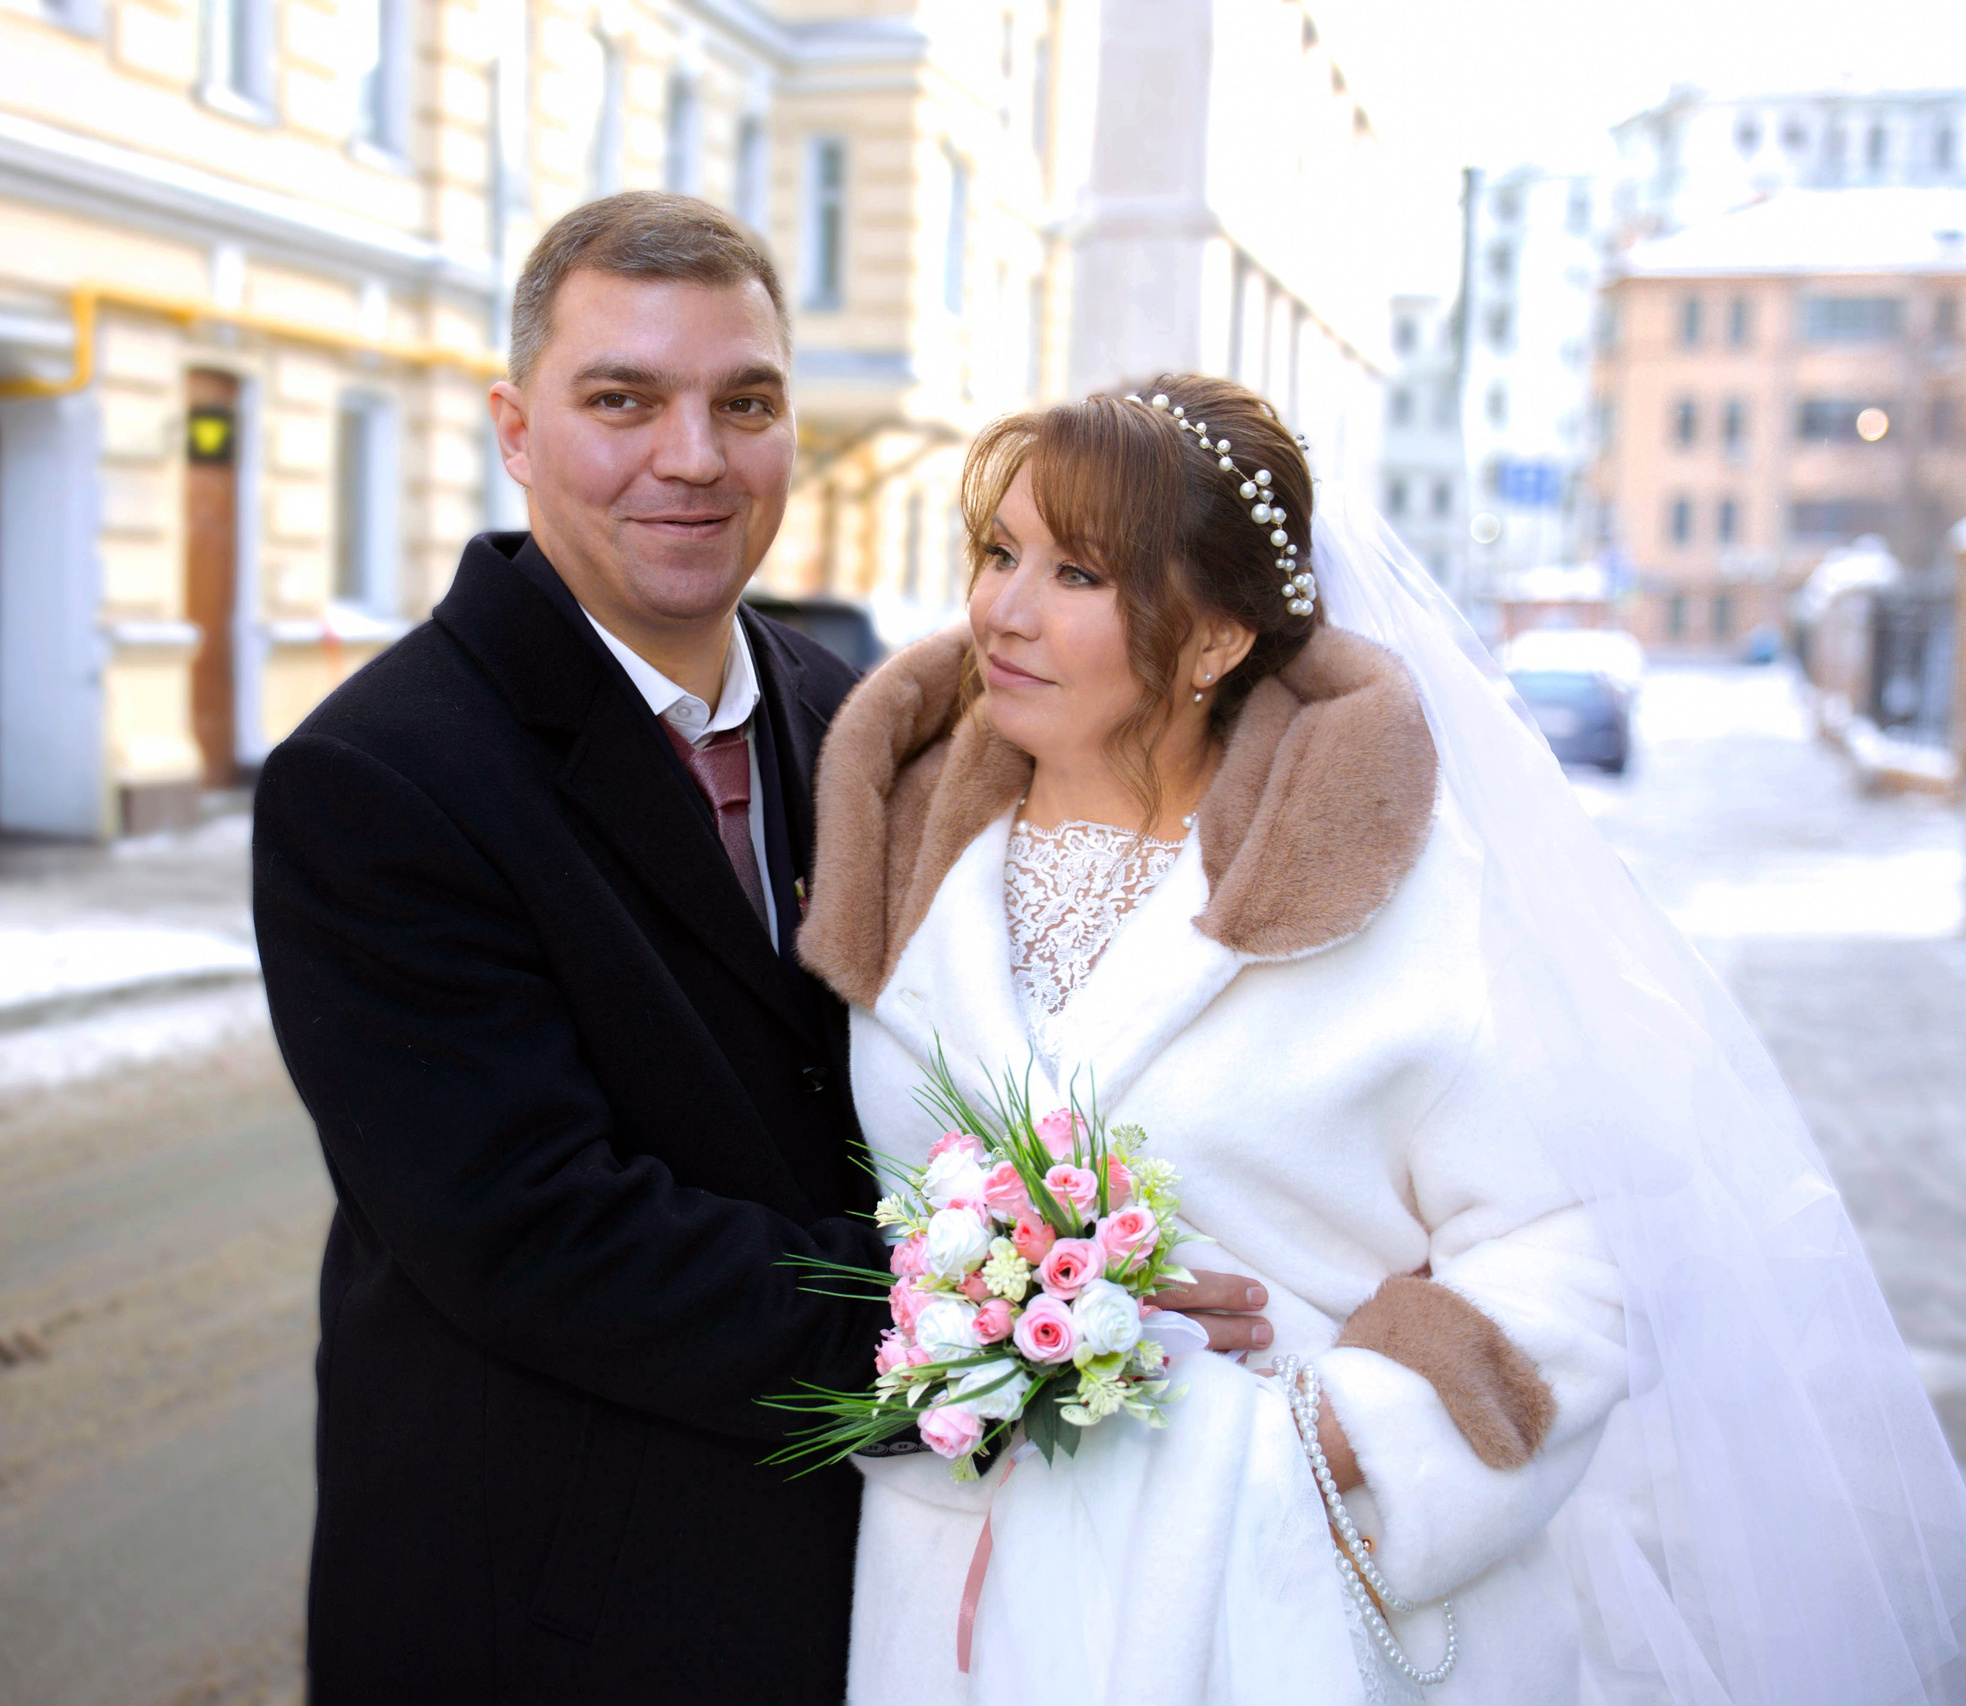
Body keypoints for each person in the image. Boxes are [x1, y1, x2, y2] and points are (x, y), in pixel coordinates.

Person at [797, 375, 1966, 1703]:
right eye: (998, 551)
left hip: (1294, 1615)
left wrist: (1328, 1441)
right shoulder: (899, 845)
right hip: (960, 1608)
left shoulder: (1395, 881)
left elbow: (1582, 1252)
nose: (1001, 606)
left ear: (1217, 637)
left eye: (1076, 572)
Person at [250, 196, 1266, 1705]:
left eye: (746, 402)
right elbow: (541, 1232)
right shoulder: (381, 777)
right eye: (622, 400)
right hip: (550, 1610)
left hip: (857, 1592)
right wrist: (1022, 1320)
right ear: (516, 430)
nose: (694, 455)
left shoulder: (851, 710)